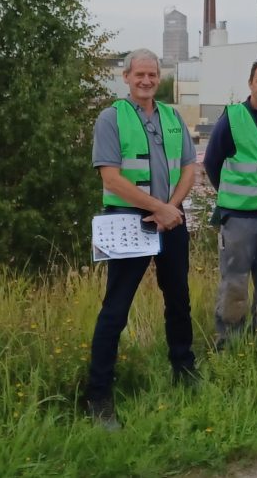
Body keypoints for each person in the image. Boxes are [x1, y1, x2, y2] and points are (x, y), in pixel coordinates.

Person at [83, 49, 198, 430]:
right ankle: (98, 396)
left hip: (171, 218)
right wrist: (158, 208)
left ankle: (184, 371)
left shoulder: (171, 116)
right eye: (140, 75)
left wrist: (172, 208)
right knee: (115, 309)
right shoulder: (111, 118)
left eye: (152, 74)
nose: (146, 81)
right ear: (126, 77)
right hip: (129, 220)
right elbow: (111, 179)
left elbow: (188, 167)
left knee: (179, 300)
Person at [202, 57, 257, 348]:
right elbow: (212, 162)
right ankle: (229, 344)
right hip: (239, 218)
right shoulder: (232, 118)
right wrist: (231, 196)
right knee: (235, 285)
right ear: (251, 83)